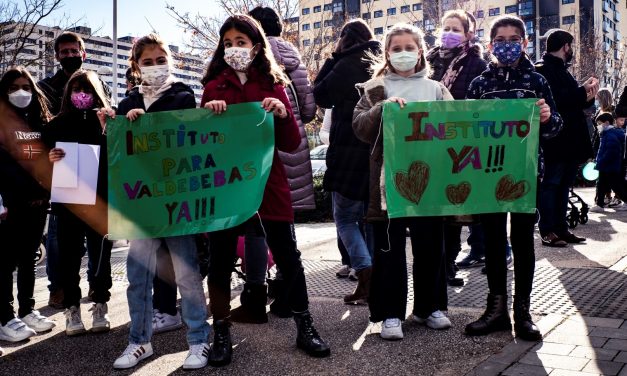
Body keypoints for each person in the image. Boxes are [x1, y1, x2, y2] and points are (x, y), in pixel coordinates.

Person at [201, 14, 330, 365]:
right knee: (221, 260)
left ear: (256, 46)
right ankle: (222, 332)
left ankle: (306, 326)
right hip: (227, 188)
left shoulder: (274, 84)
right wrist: (208, 117)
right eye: (227, 43)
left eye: (240, 42)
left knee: (288, 255)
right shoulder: (214, 87)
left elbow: (290, 144)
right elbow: (203, 147)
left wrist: (283, 115)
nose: (234, 49)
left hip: (269, 183)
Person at [110, 33, 210, 370]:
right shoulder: (126, 105)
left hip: (176, 203)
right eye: (147, 62)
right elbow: (119, 155)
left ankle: (198, 341)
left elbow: (189, 142)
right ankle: (139, 342)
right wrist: (118, 125)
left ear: (170, 60)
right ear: (137, 66)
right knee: (138, 277)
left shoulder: (183, 96)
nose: (154, 67)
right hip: (141, 207)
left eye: (159, 60)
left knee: (186, 273)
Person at [464, 15, 563, 341]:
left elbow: (556, 127)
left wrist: (547, 117)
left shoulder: (537, 81)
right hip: (488, 176)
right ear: (492, 45)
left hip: (525, 175)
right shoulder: (479, 84)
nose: (507, 45)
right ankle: (495, 310)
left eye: (513, 39)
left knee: (522, 242)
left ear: (523, 43)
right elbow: (465, 131)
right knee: (493, 242)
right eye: (500, 40)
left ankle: (523, 312)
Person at [352, 22, 453, 340]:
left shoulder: (436, 89)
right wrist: (381, 109)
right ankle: (390, 314)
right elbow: (359, 128)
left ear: (420, 51)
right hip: (386, 186)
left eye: (410, 47)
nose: (404, 53)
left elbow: (455, 125)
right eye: (397, 48)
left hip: (429, 181)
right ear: (387, 54)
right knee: (388, 250)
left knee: (430, 246)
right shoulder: (374, 89)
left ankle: (430, 307)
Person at [234, 6, 318, 323]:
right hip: (290, 151)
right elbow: (309, 109)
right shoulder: (292, 60)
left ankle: (257, 291)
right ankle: (286, 298)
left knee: (256, 226)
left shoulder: (255, 62)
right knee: (285, 231)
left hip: (255, 153)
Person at [37, 31, 112, 309]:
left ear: (83, 53)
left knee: (99, 242)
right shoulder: (46, 87)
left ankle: (98, 290)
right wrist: (50, 157)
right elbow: (39, 142)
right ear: (57, 55)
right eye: (64, 51)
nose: (69, 55)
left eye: (74, 51)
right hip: (66, 180)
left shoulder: (99, 83)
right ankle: (60, 291)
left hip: (97, 182)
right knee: (61, 244)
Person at [314, 19, 380, 305]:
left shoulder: (345, 63)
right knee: (369, 218)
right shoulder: (380, 61)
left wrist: (335, 56)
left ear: (344, 39)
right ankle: (374, 278)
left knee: (344, 218)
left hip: (347, 152)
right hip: (375, 151)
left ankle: (365, 275)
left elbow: (321, 94)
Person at [426, 10, 489, 286]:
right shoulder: (426, 61)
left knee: (452, 211)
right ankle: (434, 265)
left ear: (468, 34)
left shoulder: (476, 64)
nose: (449, 33)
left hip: (459, 147)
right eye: (446, 27)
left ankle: (448, 264)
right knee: (431, 210)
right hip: (428, 145)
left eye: (456, 29)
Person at [0, 67, 55, 342]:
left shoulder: (39, 121)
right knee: (5, 262)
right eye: (12, 88)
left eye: (25, 87)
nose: (20, 93)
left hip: (37, 203)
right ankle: (5, 317)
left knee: (29, 259)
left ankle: (27, 309)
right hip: (10, 205)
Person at [535, 29, 598, 247]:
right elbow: (557, 101)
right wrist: (582, 92)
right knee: (551, 185)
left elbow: (575, 103)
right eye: (570, 46)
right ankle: (548, 230)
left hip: (570, 141)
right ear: (565, 47)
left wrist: (588, 96)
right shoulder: (542, 70)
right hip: (555, 141)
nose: (571, 50)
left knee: (563, 186)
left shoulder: (563, 70)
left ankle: (562, 229)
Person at [591, 112, 627, 211]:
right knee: (602, 184)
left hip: (610, 165)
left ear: (606, 123)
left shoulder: (610, 135)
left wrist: (601, 161)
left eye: (599, 124)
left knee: (616, 185)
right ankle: (600, 204)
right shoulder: (607, 134)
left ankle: (602, 203)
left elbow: (611, 151)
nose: (598, 126)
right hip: (607, 165)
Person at [592, 88, 619, 207]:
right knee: (603, 174)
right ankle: (605, 196)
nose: (596, 100)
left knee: (607, 174)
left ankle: (608, 197)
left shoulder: (613, 112)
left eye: (598, 97)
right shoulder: (599, 111)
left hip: (608, 144)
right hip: (600, 143)